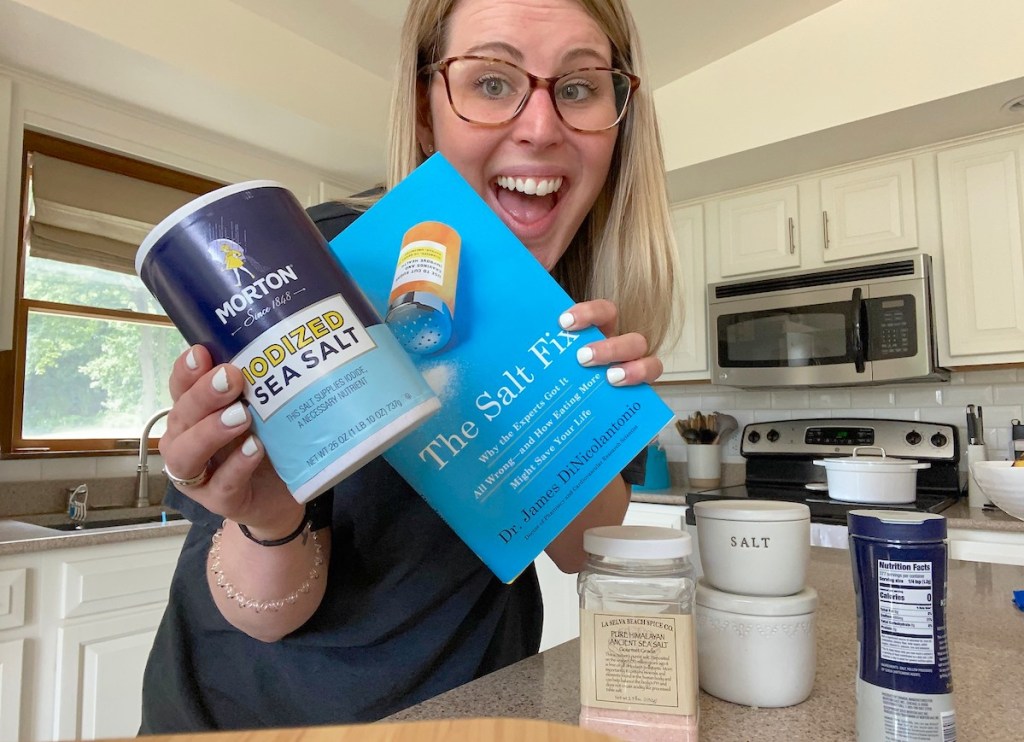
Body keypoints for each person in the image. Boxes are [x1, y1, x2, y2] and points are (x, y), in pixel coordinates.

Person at [139, 0, 680, 732]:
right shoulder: (328, 259)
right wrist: (268, 517)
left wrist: (575, 410)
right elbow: (265, 617)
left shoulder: (580, 307)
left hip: (468, 716)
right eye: (492, 82)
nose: (542, 127)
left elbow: (583, 551)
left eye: (579, 88)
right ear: (427, 111)